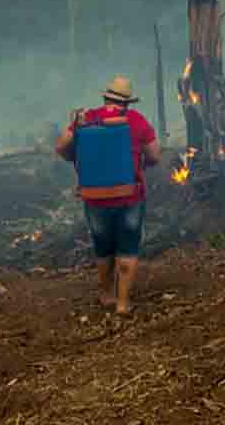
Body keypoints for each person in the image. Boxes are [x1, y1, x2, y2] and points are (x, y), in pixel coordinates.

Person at [55, 76, 161, 315]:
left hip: (95, 197)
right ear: (128, 103)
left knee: (103, 247)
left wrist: (74, 157)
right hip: (130, 197)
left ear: (105, 98)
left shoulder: (87, 118)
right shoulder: (135, 120)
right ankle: (123, 304)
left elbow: (61, 146)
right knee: (128, 248)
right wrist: (142, 163)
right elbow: (155, 155)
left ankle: (106, 296)